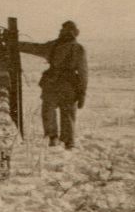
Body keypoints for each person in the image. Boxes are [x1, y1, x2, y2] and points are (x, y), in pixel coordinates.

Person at [18, 21, 89, 149]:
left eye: (64, 30)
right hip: (65, 85)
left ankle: (58, 140)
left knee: (53, 112)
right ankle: (62, 141)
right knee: (60, 113)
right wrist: (16, 44)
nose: (62, 32)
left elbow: (83, 72)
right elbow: (83, 73)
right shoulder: (72, 47)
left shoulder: (60, 46)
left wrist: (82, 93)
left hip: (56, 84)